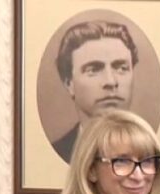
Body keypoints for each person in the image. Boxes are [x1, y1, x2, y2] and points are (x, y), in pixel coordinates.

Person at [51, 20, 138, 162]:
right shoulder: (56, 153)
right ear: (69, 83)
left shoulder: (153, 151)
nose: (111, 82)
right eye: (93, 70)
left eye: (121, 68)